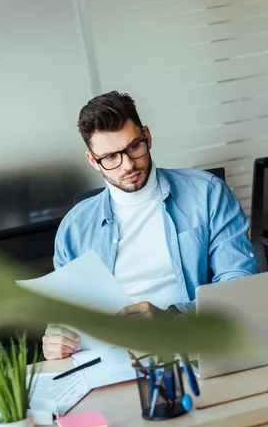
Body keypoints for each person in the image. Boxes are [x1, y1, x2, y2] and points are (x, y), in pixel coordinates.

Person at [42, 91, 258, 360]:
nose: (128, 164)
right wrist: (57, 340)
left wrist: (172, 317)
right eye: (110, 157)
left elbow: (239, 289)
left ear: (148, 136)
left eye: (134, 147)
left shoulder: (207, 194)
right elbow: (64, 317)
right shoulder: (74, 229)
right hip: (110, 362)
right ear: (92, 161)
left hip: (194, 348)